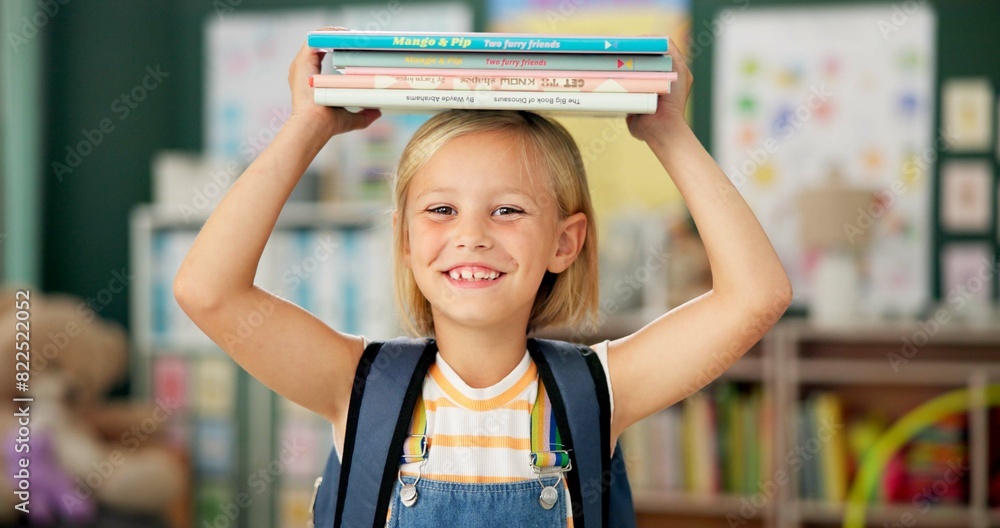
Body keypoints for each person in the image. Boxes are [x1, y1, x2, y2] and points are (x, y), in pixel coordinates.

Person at [173, 29, 792, 526]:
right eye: (441, 210)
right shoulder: (356, 386)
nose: (472, 234)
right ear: (407, 242)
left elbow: (756, 296)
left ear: (564, 242)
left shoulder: (599, 391)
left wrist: (668, 131)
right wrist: (307, 126)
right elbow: (208, 291)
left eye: (508, 210)